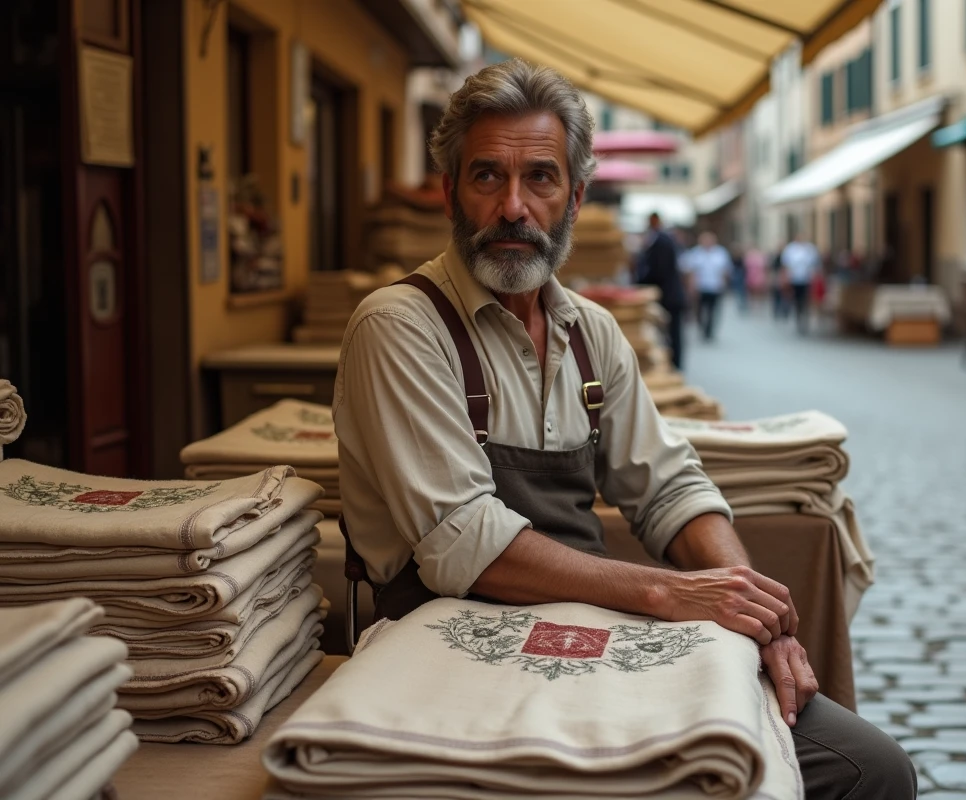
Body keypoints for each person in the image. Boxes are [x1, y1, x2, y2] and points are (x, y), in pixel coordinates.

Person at [334, 58, 915, 800]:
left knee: (873, 769)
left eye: (540, 179)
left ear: (575, 197)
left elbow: (669, 484)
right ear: (450, 191)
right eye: (487, 178)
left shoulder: (591, 333)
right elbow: (462, 542)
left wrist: (741, 601)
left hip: (589, 637)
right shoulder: (398, 326)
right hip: (450, 654)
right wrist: (670, 595)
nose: (514, 206)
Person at [638, 212, 687, 369]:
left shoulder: (661, 241)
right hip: (669, 294)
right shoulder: (661, 239)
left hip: (670, 296)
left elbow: (659, 270)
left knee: (674, 333)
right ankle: (674, 363)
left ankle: (675, 365)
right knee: (673, 333)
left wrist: (642, 283)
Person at [683, 231, 733, 341]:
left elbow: (726, 269)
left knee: (713, 310)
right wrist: (691, 286)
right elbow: (690, 271)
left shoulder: (720, 252)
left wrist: (725, 283)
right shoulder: (695, 253)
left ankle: (709, 330)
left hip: (715, 286)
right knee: (700, 310)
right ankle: (702, 326)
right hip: (701, 286)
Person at [780, 231, 822, 334]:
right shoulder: (790, 249)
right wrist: (786, 276)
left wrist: (815, 274)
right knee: (797, 299)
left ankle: (805, 317)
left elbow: (815, 263)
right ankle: (799, 316)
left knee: (806, 299)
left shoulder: (810, 249)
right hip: (795, 279)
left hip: (807, 279)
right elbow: (785, 264)